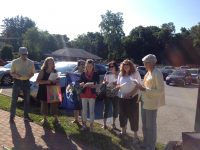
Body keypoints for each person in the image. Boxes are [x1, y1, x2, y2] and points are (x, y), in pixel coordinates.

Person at [136, 54, 165, 150]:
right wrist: (140, 87)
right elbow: (144, 86)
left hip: (151, 104)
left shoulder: (157, 73)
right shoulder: (148, 73)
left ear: (151, 63)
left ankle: (151, 146)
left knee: (151, 126)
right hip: (144, 102)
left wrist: (144, 90)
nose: (144, 64)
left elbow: (160, 91)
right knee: (145, 125)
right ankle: (145, 143)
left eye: (145, 63)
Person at [116, 59, 142, 139]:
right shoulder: (121, 74)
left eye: (127, 65)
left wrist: (131, 94)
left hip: (133, 98)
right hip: (122, 97)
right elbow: (118, 84)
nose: (126, 66)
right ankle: (123, 131)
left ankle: (135, 135)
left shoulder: (135, 73)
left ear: (131, 65)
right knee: (122, 115)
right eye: (124, 65)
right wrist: (118, 87)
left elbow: (138, 85)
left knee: (133, 116)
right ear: (122, 66)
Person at [9, 47, 35, 123]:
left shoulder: (31, 62)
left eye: (26, 54)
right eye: (23, 54)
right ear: (20, 54)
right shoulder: (15, 62)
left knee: (27, 100)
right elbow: (11, 72)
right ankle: (12, 117)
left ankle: (26, 117)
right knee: (14, 100)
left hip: (26, 82)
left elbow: (33, 73)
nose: (25, 56)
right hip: (17, 82)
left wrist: (29, 76)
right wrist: (16, 76)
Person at [36, 57, 60, 125]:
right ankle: (45, 119)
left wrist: (57, 81)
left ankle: (56, 119)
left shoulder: (55, 71)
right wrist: (47, 81)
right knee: (44, 104)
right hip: (44, 89)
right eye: (49, 62)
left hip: (53, 89)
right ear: (46, 63)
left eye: (52, 62)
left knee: (55, 105)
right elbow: (37, 81)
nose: (51, 63)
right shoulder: (43, 71)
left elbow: (57, 82)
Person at [79, 59, 100, 131]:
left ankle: (91, 125)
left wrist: (93, 85)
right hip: (84, 94)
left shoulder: (96, 74)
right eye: (87, 66)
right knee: (84, 110)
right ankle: (84, 125)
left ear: (93, 66)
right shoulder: (82, 74)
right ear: (86, 66)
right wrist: (81, 84)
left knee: (91, 111)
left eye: (90, 66)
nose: (89, 67)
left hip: (92, 94)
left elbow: (97, 84)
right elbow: (80, 83)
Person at [102, 61, 119, 129]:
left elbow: (121, 82)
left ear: (115, 66)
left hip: (116, 93)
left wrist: (116, 83)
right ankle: (104, 124)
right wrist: (104, 82)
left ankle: (113, 124)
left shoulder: (119, 73)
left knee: (115, 109)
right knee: (106, 109)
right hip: (108, 92)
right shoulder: (107, 73)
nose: (111, 68)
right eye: (110, 66)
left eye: (112, 66)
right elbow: (103, 81)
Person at [71, 59, 85, 124]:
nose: (83, 66)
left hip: (83, 92)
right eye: (82, 64)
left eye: (84, 64)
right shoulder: (74, 73)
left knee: (82, 107)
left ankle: (83, 121)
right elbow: (71, 82)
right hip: (75, 91)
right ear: (78, 65)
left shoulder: (86, 73)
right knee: (76, 106)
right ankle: (76, 120)